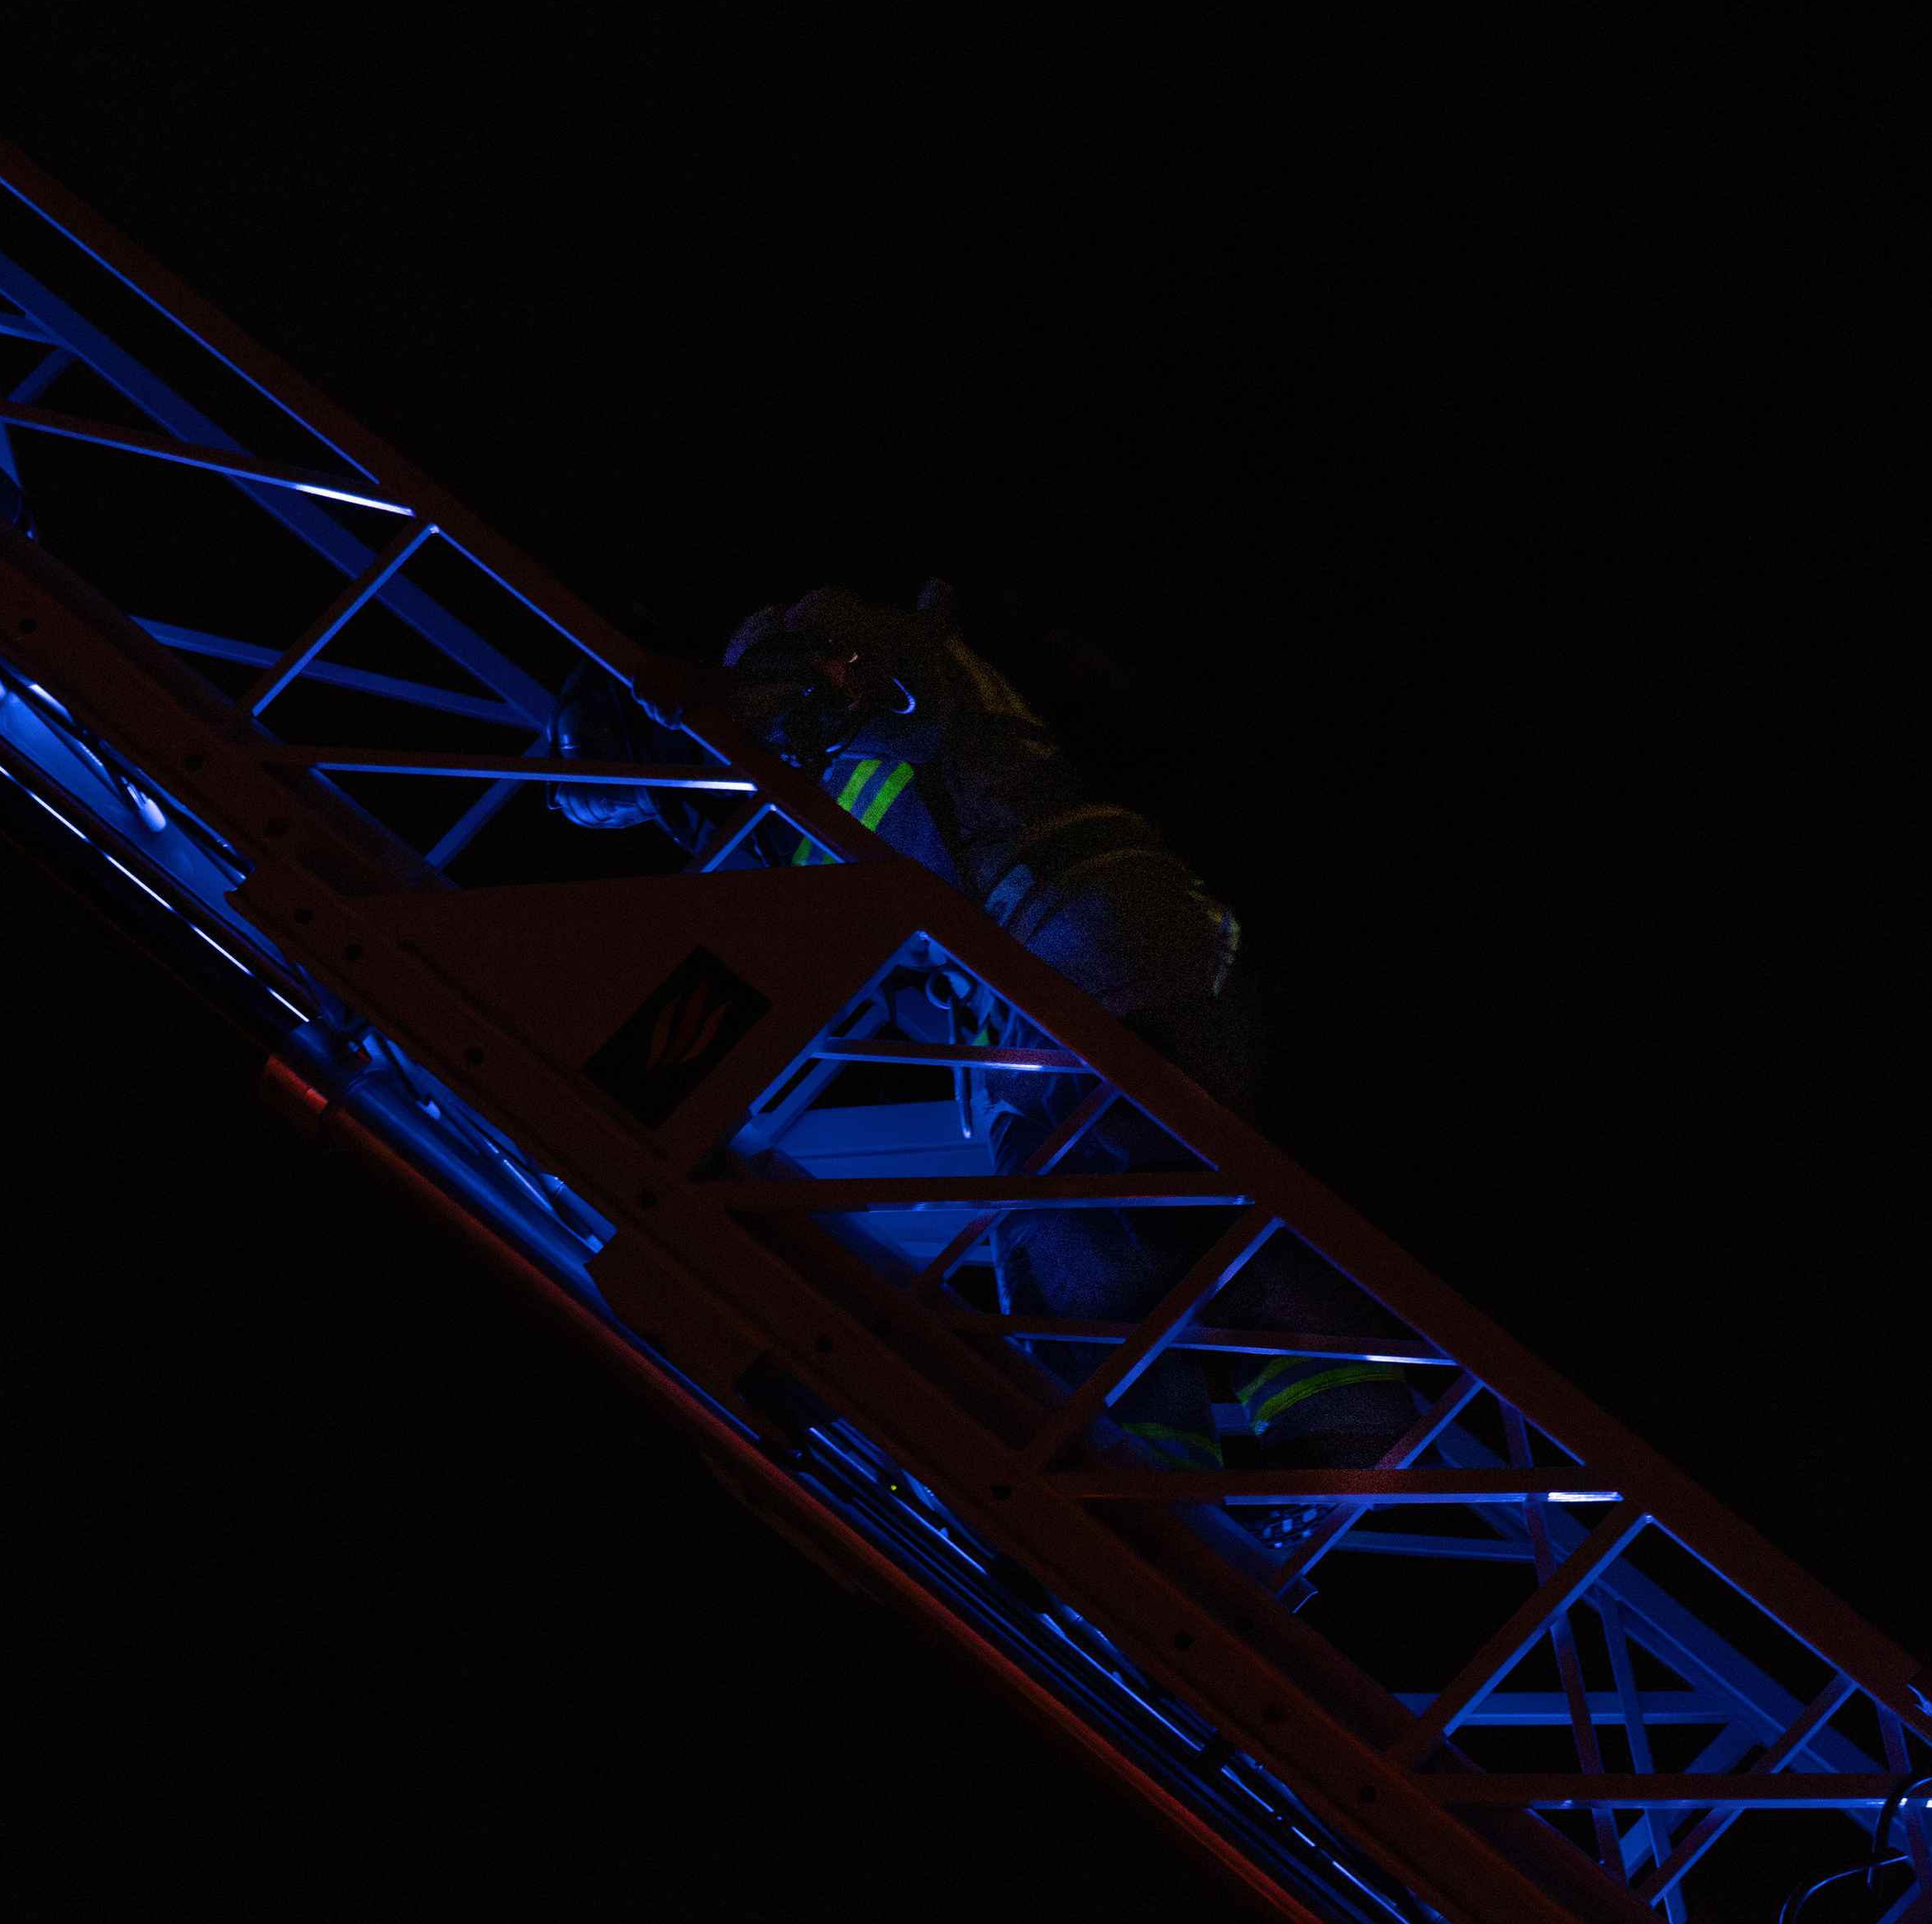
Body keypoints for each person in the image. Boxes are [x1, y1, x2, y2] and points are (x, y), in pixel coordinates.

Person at [555, 585, 1419, 1511]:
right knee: (1124, 1232)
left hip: (1073, 926)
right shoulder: (781, 816)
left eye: (657, 789)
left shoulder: (802, 643)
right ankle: (1252, 1463)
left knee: (1092, 1220)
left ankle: (1176, 1487)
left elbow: (830, 684)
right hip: (1078, 954)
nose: (685, 812)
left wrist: (714, 696)